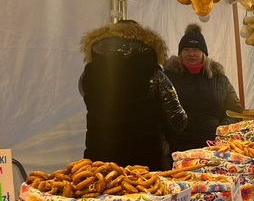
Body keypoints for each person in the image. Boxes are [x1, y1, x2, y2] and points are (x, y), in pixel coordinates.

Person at [80, 19, 187, 171]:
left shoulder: (88, 73)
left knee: (104, 192)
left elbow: (88, 101)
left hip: (101, 164)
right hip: (145, 165)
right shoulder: (155, 75)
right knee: (147, 195)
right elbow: (178, 120)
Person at [164, 23, 244, 152]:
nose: (191, 54)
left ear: (203, 53)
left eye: (196, 50)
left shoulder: (219, 79)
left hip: (212, 147)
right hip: (177, 148)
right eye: (186, 49)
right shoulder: (168, 78)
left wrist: (220, 130)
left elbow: (235, 110)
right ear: (180, 53)